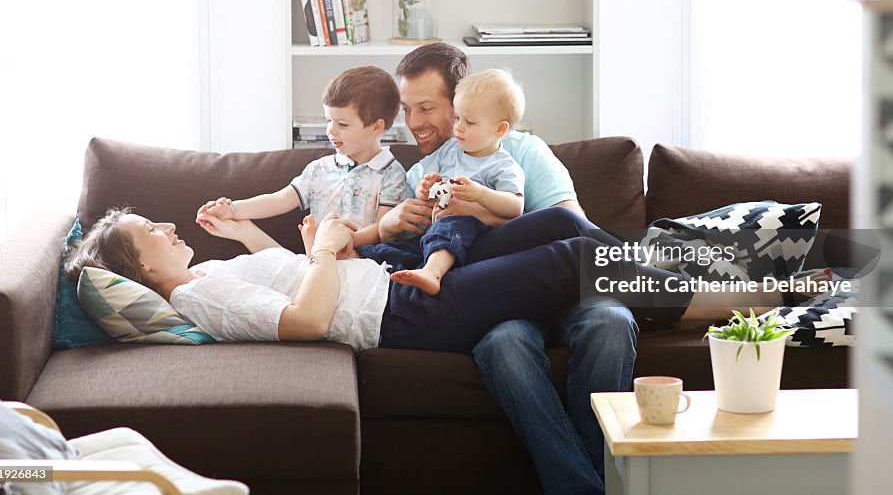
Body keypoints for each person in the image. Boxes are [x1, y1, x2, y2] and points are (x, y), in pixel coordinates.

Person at [375, 43, 634, 495]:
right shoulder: (423, 170)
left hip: (567, 290)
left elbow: (574, 230)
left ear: (462, 101)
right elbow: (422, 255)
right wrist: (391, 224)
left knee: (611, 324)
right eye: (406, 109)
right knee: (506, 346)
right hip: (497, 308)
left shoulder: (521, 152)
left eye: (427, 108)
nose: (414, 123)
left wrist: (488, 211)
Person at [65, 206, 820, 354]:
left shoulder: (212, 274)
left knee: (558, 224)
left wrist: (326, 252)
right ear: (145, 272)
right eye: (151, 237)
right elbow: (301, 322)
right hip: (405, 320)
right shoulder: (196, 296)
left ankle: (662, 285)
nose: (168, 231)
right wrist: (328, 252)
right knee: (568, 261)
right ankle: (757, 295)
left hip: (394, 283)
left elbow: (289, 282)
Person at [360, 68, 528, 296]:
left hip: (468, 235)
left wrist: (480, 195)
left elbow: (515, 207)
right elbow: (423, 184)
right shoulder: (450, 150)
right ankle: (354, 257)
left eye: (469, 122)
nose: (458, 127)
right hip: (432, 233)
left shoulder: (503, 166)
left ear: (500, 129)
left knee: (453, 225)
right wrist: (424, 188)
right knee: (390, 250)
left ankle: (433, 273)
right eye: (458, 117)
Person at [197, 66, 407, 247]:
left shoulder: (391, 174)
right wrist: (233, 209)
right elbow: (280, 199)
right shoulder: (320, 169)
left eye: (342, 124)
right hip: (316, 262)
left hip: (363, 265)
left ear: (376, 127)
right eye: (328, 120)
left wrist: (345, 242)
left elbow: (383, 228)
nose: (331, 131)